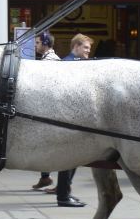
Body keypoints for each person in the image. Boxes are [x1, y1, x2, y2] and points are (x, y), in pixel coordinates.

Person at [51, 33, 94, 207]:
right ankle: (63, 195)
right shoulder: (69, 64)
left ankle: (66, 192)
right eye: (85, 48)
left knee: (73, 158)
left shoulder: (75, 63)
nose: (87, 52)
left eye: (89, 49)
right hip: (68, 117)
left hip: (73, 116)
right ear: (75, 46)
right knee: (69, 157)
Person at [31, 31, 60, 190]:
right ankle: (45, 177)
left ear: (45, 43)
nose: (35, 45)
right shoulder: (46, 59)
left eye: (37, 43)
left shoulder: (50, 60)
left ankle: (61, 184)